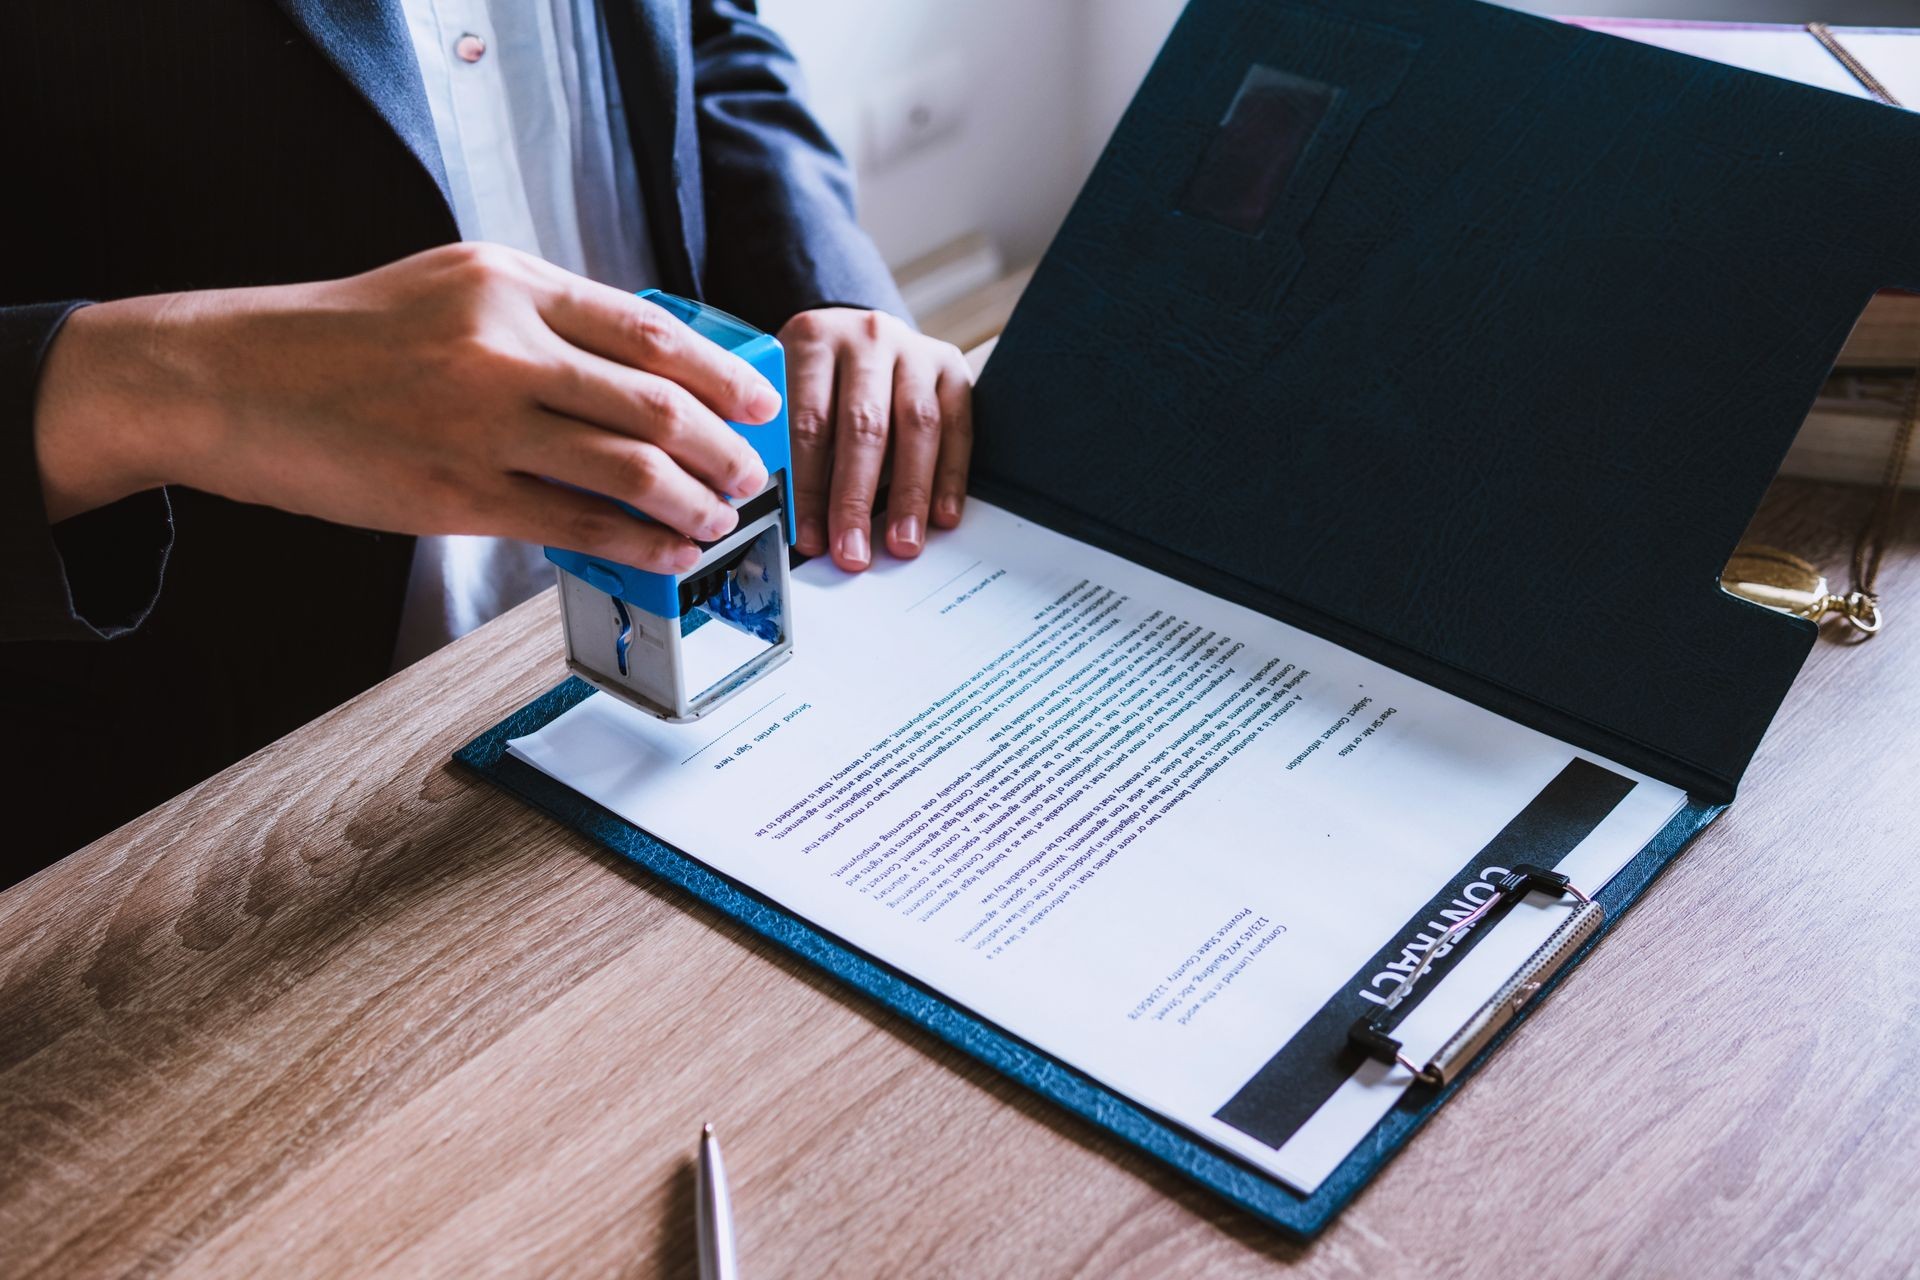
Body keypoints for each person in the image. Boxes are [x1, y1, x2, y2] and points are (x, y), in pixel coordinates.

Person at [0, 0, 973, 881]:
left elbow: (709, 36)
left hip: (718, 654)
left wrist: (825, 291)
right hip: (246, 805)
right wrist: (185, 385)